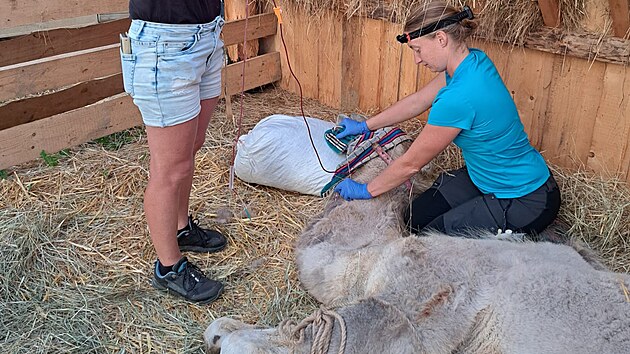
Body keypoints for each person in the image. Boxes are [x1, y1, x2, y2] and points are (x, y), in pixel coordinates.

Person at [333, 1, 561, 236]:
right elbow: (418, 102)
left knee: (430, 240)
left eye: (418, 50)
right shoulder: (472, 62)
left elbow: (411, 164)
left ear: (441, 39)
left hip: (527, 198)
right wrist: (365, 126)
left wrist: (367, 190)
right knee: (414, 220)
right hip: (483, 179)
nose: (417, 60)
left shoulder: (459, 98)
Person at [119, 0, 227, 304]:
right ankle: (168, 267)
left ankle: (181, 228)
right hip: (165, 43)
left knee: (191, 147)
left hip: (207, 35)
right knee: (170, 168)